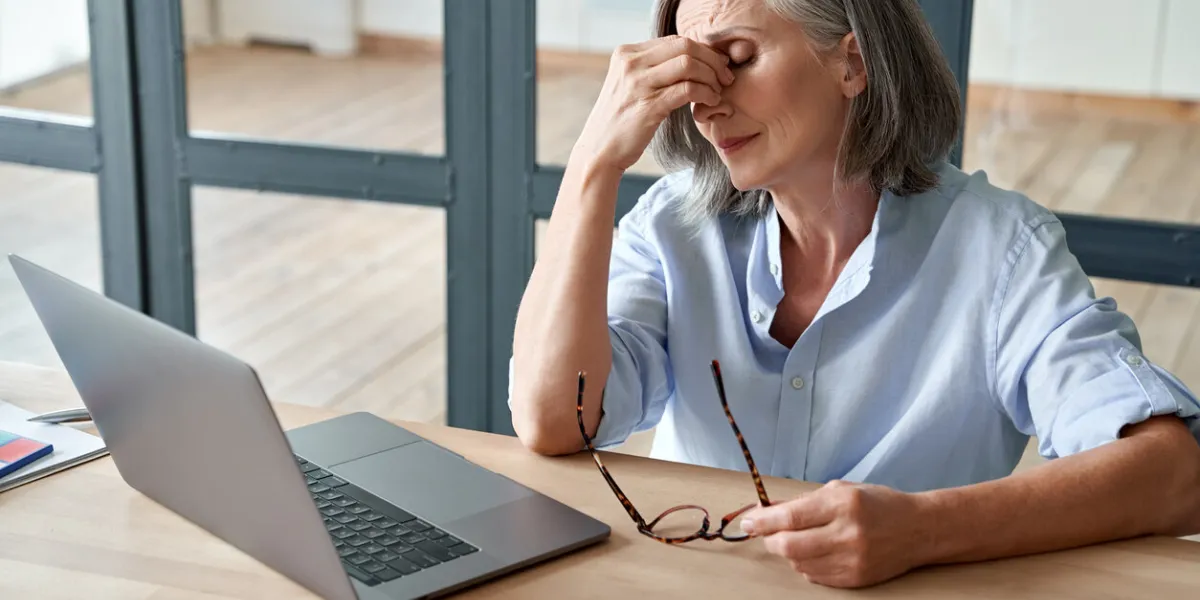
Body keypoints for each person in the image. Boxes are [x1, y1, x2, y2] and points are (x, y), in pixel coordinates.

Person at [508, 0, 1200, 589]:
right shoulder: (671, 226)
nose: (705, 102)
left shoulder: (1000, 248)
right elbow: (553, 421)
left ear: (853, 63)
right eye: (690, 70)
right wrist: (594, 162)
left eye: (737, 59)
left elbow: (1175, 474)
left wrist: (923, 530)